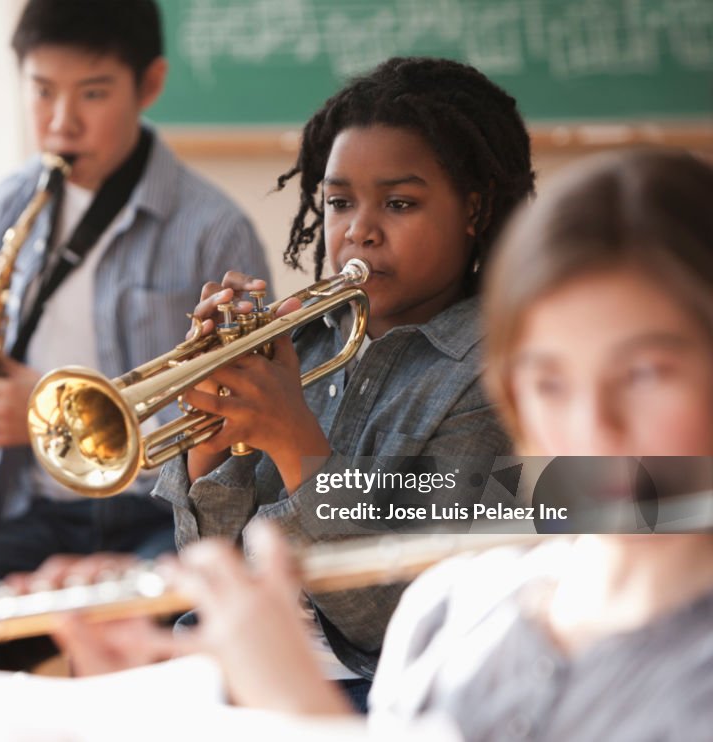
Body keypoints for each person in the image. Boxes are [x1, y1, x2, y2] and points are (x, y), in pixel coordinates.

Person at [56, 149, 713, 741]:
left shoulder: (471, 381)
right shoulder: (453, 610)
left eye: (645, 374)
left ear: (471, 213)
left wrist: (292, 703)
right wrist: (215, 441)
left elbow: (396, 573)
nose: (592, 425)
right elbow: (227, 549)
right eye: (549, 381)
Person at [20, 56, 537, 705]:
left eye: (399, 203)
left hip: (368, 689)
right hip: (230, 652)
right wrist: (209, 434)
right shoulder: (301, 340)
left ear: (474, 210)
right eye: (339, 202)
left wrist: (292, 438)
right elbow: (206, 559)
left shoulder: (495, 373)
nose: (359, 231)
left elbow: (394, 620)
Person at [0, 0, 268, 669]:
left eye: (93, 93)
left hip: (163, 520)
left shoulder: (215, 228)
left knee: (149, 646)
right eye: (41, 92)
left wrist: (40, 414)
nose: (62, 121)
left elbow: (250, 431)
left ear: (148, 85)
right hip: (39, 517)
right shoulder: (12, 202)